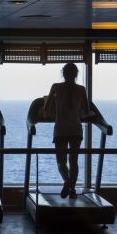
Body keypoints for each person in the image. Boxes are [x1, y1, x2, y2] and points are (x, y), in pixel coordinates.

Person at [43, 63, 89, 198]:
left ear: (63, 73)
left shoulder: (56, 87)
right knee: (73, 161)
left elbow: (46, 109)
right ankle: (72, 189)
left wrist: (56, 115)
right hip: (76, 129)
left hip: (61, 129)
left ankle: (67, 182)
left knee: (61, 161)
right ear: (76, 74)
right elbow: (86, 111)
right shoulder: (81, 89)